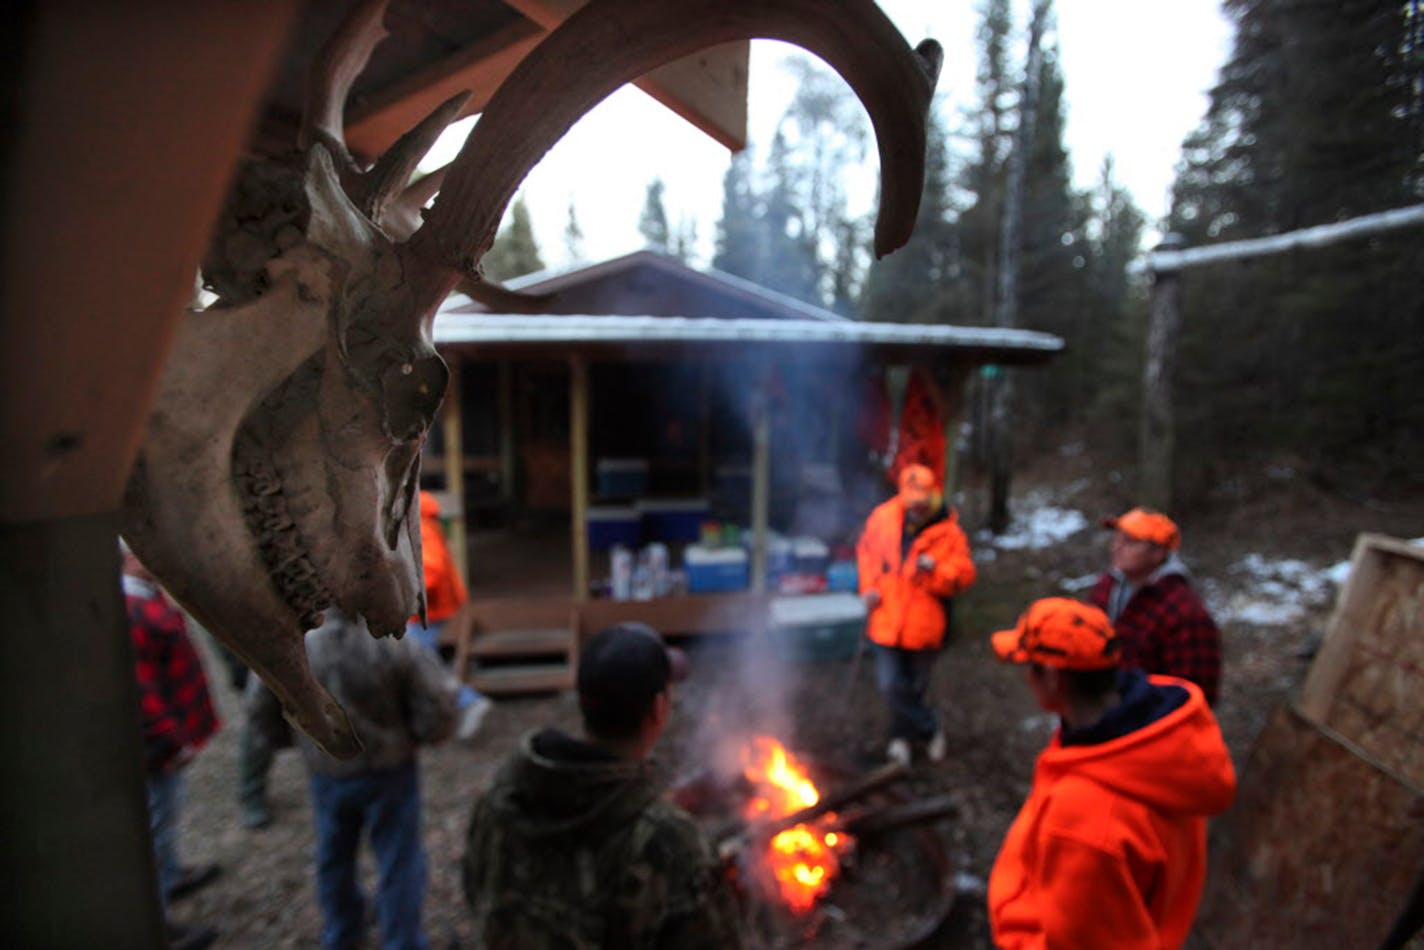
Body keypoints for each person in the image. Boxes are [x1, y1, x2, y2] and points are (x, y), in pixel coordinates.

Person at [461, 622, 741, 949]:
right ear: (658, 709)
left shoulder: (500, 802)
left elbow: (475, 893)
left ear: (582, 701)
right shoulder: (669, 844)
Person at [987, 597, 1237, 948]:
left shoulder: (1087, 820)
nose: (1027, 678)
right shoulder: (1160, 744)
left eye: (1029, 666)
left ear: (1054, 678)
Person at [250, 607, 457, 950]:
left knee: (333, 855)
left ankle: (342, 933)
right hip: (390, 770)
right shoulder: (394, 642)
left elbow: (260, 707)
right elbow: (436, 702)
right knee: (399, 858)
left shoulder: (290, 643)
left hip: (328, 772)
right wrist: (423, 735)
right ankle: (402, 941)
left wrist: (294, 743)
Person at [121, 542, 222, 950]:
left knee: (167, 817)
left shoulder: (143, 599)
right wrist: (171, 740)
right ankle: (157, 923)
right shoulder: (130, 611)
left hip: (172, 738)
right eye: (146, 554)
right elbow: (140, 691)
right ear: (129, 559)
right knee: (156, 827)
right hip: (161, 747)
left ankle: (172, 876)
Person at [856, 463, 976, 765]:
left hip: (925, 625)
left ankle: (901, 739)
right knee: (890, 684)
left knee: (915, 686)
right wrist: (868, 588)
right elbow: (867, 554)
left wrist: (936, 570)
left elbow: (963, 576)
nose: (916, 511)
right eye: (911, 505)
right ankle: (929, 726)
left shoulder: (949, 532)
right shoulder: (883, 518)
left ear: (933, 497)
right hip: (885, 617)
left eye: (922, 506)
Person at [1088, 507, 1222, 704]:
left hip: (1150, 724)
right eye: (1117, 539)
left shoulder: (1184, 612)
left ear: (1158, 552)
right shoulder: (1106, 587)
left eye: (1130, 542)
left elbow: (1194, 696)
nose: (1116, 547)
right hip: (1104, 715)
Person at [406, 490, 491, 740]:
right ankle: (459, 708)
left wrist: (404, 593)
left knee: (423, 665)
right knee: (425, 663)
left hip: (428, 610)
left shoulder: (419, 524)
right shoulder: (419, 521)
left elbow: (431, 572)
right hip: (427, 610)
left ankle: (468, 703)